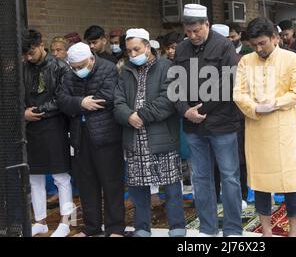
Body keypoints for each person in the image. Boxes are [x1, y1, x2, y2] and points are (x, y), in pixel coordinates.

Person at [173, 4, 242, 237]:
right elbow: (175, 85)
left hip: (222, 124)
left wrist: (199, 108)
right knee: (201, 178)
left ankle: (232, 229)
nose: (193, 36)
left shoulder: (224, 46)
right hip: (193, 126)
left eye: (197, 31)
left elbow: (229, 83)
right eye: (188, 31)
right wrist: (185, 111)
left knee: (229, 177)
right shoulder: (182, 49)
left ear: (207, 25)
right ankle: (207, 229)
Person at [233, 17, 296, 237]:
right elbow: (239, 93)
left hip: (283, 129)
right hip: (257, 130)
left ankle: (293, 231)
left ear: (275, 38)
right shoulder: (246, 61)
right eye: (254, 44)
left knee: (290, 183)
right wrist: (254, 108)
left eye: (263, 43)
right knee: (261, 184)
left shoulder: (291, 59)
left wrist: (275, 103)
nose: (258, 48)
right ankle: (266, 231)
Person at [114, 28, 186, 237]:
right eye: (129, 51)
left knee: (171, 185)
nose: (133, 54)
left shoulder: (167, 67)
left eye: (136, 49)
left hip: (162, 135)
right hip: (134, 138)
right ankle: (142, 227)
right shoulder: (126, 71)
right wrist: (128, 116)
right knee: (138, 188)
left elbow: (168, 100)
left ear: (148, 46)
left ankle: (177, 226)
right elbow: (117, 101)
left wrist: (141, 116)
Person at [57, 42, 125, 237]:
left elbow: (108, 97)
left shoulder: (108, 69)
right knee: (87, 185)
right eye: (75, 67)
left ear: (91, 59)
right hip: (80, 136)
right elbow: (62, 99)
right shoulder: (69, 74)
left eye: (81, 66)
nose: (78, 71)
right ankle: (91, 228)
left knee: (111, 183)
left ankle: (115, 228)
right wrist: (81, 102)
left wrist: (79, 103)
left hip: (106, 135)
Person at [22, 29, 73, 237]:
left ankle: (66, 221)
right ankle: (40, 221)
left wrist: (38, 112)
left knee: (61, 176)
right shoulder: (22, 67)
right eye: (25, 54)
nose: (28, 57)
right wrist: (22, 113)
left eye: (31, 52)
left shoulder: (60, 67)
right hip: (30, 127)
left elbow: (63, 98)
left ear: (41, 44)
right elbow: (13, 94)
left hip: (54, 125)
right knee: (34, 177)